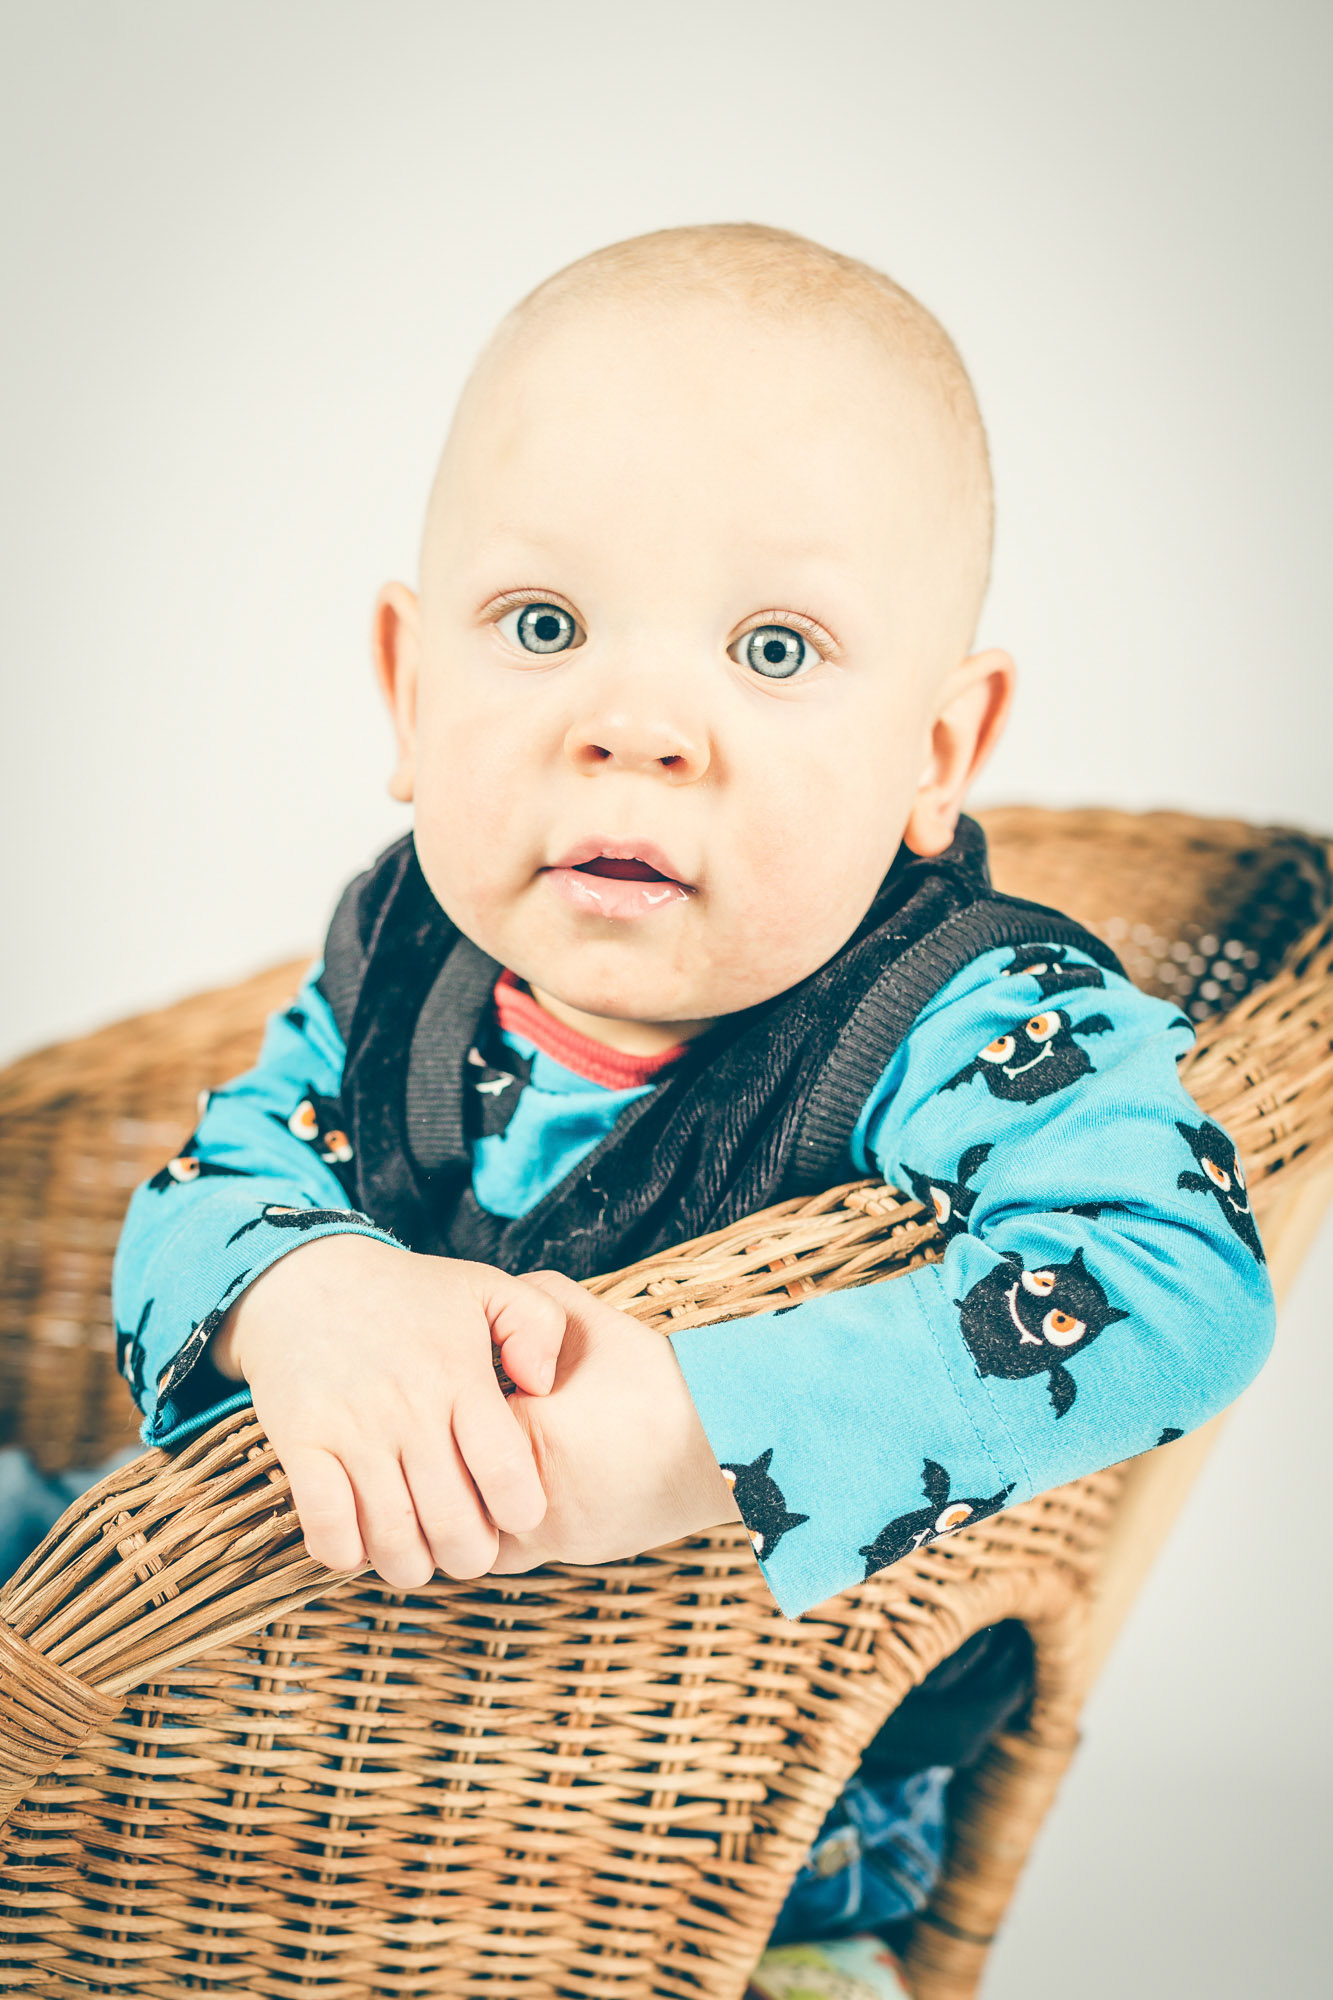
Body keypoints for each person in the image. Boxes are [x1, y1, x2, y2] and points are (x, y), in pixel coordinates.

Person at [111, 223, 1274, 1996]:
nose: (639, 723)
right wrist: (305, 1291)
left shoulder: (964, 1016)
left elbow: (1179, 1280)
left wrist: (687, 1430)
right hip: (332, 1756)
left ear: (936, 755)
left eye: (776, 649)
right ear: (409, 689)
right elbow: (203, 1186)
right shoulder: (399, 959)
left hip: (742, 1824)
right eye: (545, 626)